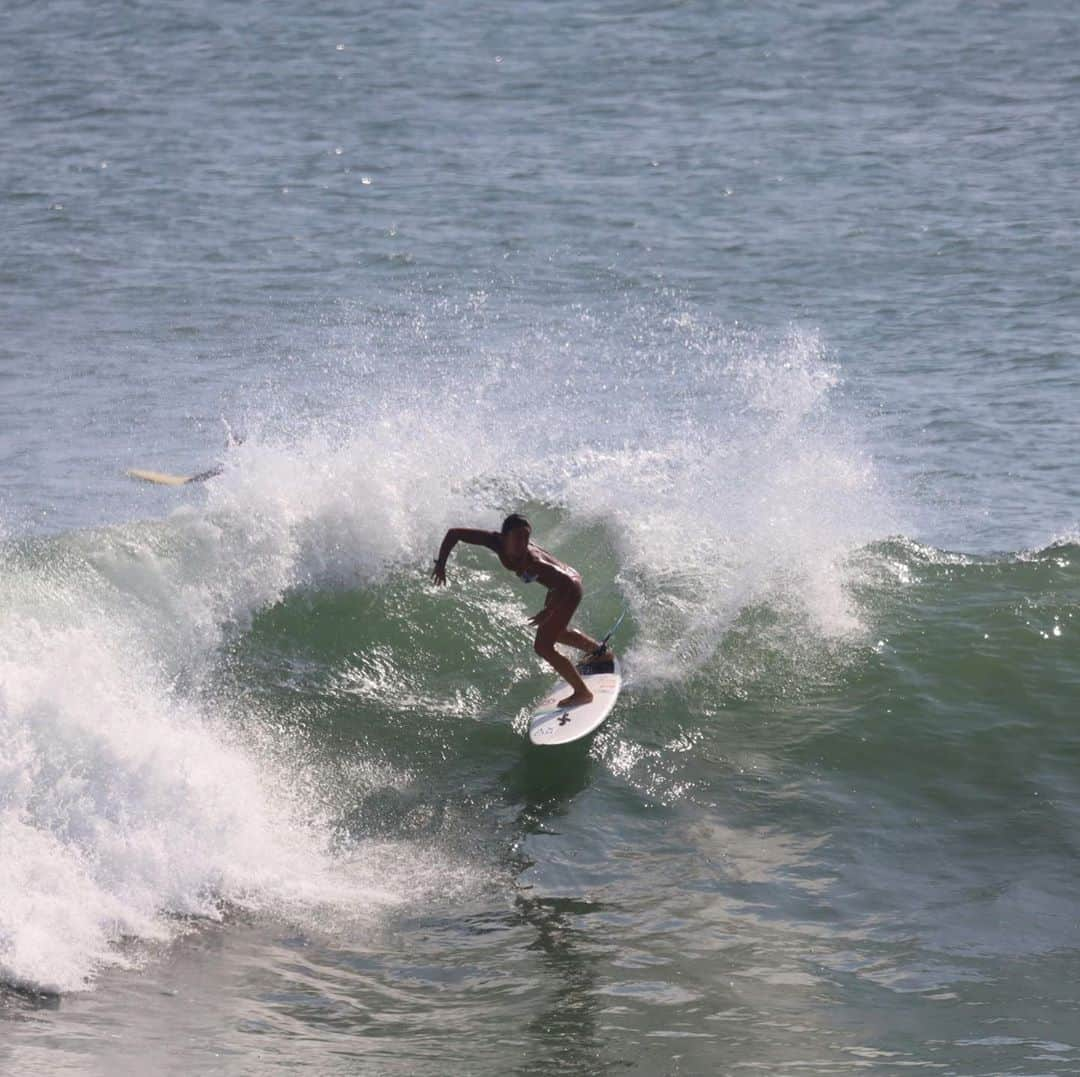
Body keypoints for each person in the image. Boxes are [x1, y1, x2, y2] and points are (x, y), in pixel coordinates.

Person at [431, 514, 610, 707]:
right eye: (518, 537)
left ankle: (582, 693)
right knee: (556, 634)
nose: (523, 543)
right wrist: (441, 563)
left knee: (543, 646)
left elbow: (566, 583)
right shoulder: (494, 542)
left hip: (568, 588)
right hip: (557, 587)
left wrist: (549, 611)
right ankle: (599, 652)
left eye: (526, 538)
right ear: (503, 537)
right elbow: (454, 533)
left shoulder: (532, 560)